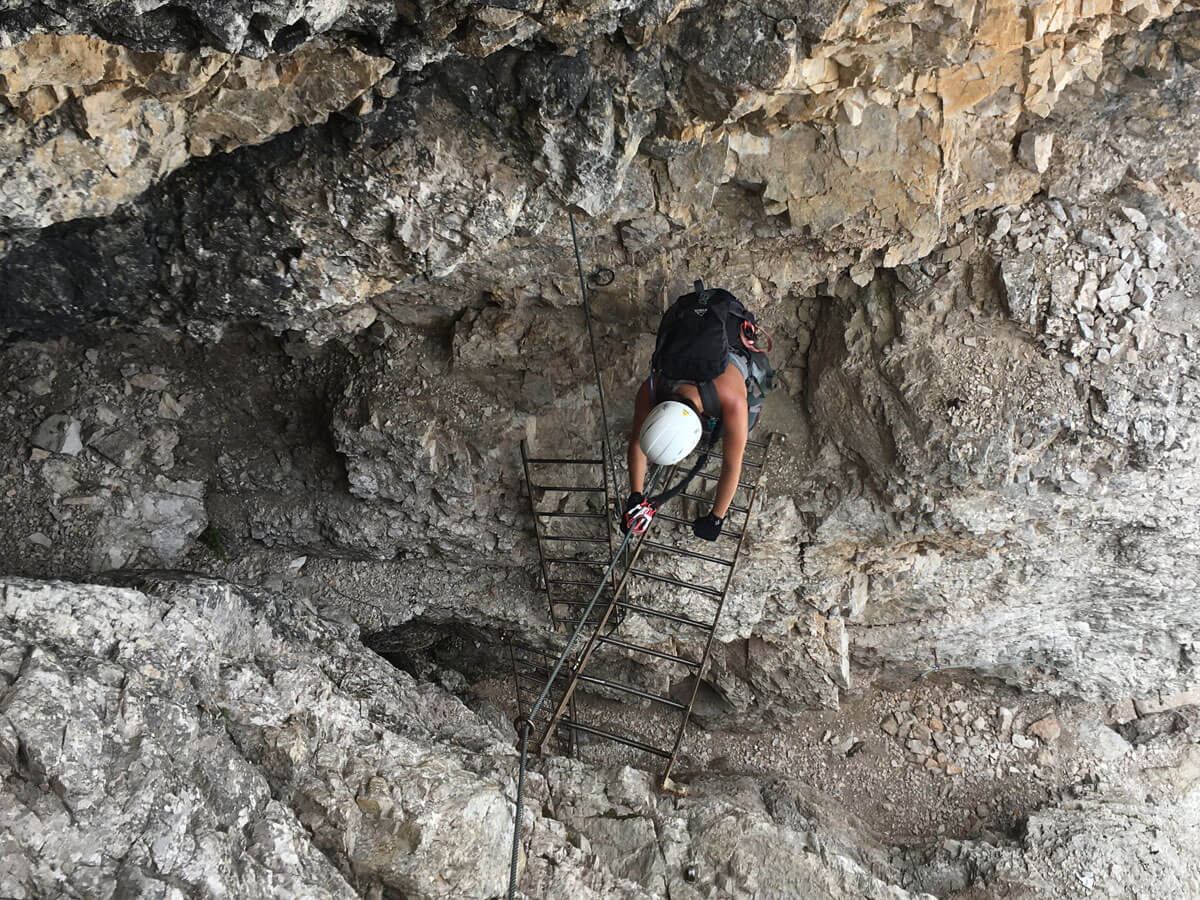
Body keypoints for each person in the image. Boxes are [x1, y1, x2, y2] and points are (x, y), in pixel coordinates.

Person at [621, 283, 771, 542]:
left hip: (728, 344)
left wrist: (717, 516)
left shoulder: (734, 401)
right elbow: (638, 440)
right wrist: (636, 497)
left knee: (742, 424)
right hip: (691, 345)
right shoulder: (653, 386)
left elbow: (732, 463)